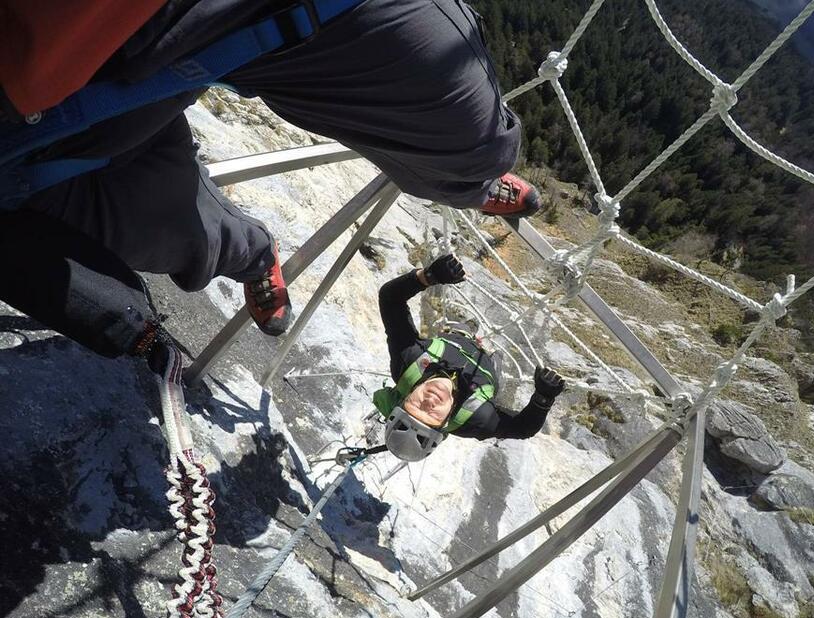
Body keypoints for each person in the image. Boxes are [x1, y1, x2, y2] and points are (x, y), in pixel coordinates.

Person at [0, 0, 542, 359]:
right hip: (98, 93)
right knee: (157, 217)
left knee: (472, 144)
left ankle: (474, 182)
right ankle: (255, 256)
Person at [375, 254, 565, 461]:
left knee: (462, 329)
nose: (428, 403)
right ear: (445, 422)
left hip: (457, 339)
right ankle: (489, 357)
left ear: (405, 398)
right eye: (431, 415)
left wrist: (428, 276)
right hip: (486, 373)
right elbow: (522, 429)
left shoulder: (409, 363)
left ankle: (467, 332)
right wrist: (543, 399)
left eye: (416, 406)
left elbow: (390, 298)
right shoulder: (477, 420)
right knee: (495, 370)